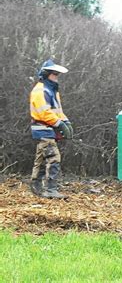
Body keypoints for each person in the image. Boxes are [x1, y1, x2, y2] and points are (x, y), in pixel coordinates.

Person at [29, 59, 73, 199]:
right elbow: (44, 113)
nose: (56, 77)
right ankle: (50, 189)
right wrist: (60, 124)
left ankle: (36, 186)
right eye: (54, 74)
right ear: (46, 74)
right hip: (43, 129)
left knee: (42, 159)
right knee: (54, 158)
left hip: (49, 129)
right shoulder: (40, 90)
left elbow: (57, 111)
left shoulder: (52, 90)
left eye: (57, 74)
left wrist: (66, 121)